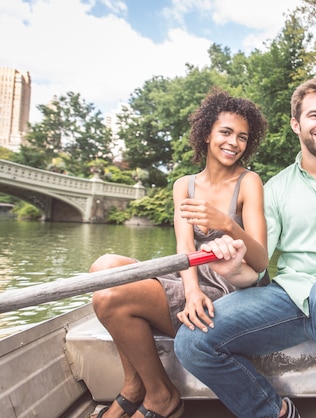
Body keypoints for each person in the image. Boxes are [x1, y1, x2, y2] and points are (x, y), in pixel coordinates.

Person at [174, 78, 316, 418]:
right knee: (192, 341)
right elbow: (257, 267)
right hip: (291, 297)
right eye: (315, 115)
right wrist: (234, 268)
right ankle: (275, 413)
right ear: (296, 124)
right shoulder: (276, 188)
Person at [89, 88, 269, 418]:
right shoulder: (183, 185)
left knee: (110, 296)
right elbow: (184, 247)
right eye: (225, 132)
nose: (234, 143)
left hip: (225, 287)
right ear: (206, 134)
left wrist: (226, 224)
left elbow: (260, 261)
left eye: (242, 137)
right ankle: (134, 384)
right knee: (104, 267)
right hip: (188, 278)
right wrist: (190, 292)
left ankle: (161, 396)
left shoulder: (249, 182)